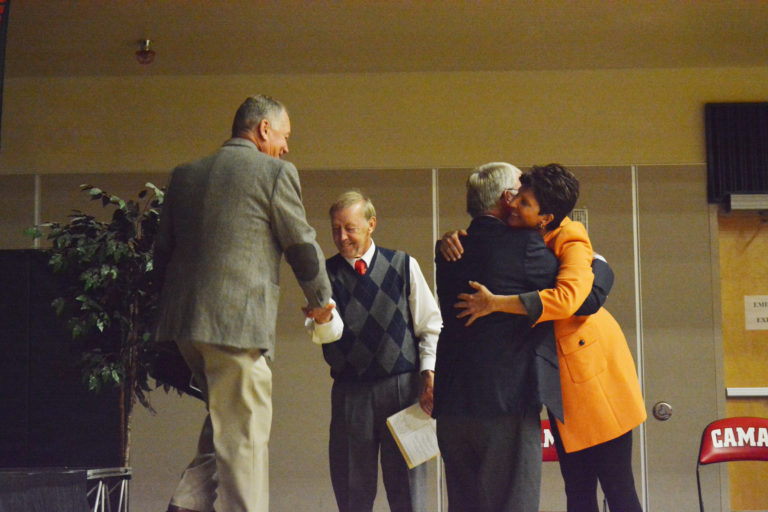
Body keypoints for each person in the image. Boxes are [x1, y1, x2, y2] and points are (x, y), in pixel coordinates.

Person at [153, 95, 336, 512]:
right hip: (235, 324)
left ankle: (186, 504)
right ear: (263, 129)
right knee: (246, 441)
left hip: (185, 325)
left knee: (225, 422)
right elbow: (302, 246)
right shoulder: (274, 173)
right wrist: (321, 302)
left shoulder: (185, 175)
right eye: (284, 136)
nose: (286, 147)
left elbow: (162, 252)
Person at [440, 164, 647, 512]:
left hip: (594, 373)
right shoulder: (523, 238)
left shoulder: (570, 237)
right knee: (578, 491)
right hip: (559, 380)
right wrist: (455, 236)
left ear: (545, 216)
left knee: (618, 487)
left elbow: (576, 299)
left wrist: (495, 303)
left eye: (524, 202)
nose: (514, 205)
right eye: (515, 197)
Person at [432, 162, 561, 512]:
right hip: (505, 404)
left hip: (453, 404)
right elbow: (576, 293)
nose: (524, 201)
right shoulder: (526, 248)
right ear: (507, 199)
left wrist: (445, 238)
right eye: (520, 193)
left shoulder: (448, 251)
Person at [305, 190, 442, 512]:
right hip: (350, 391)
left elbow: (429, 326)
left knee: (409, 490)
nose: (341, 237)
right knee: (352, 489)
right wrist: (322, 320)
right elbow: (326, 336)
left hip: (403, 389)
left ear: (371, 225)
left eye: (350, 228)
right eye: (336, 229)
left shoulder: (403, 265)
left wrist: (428, 377)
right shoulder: (324, 275)